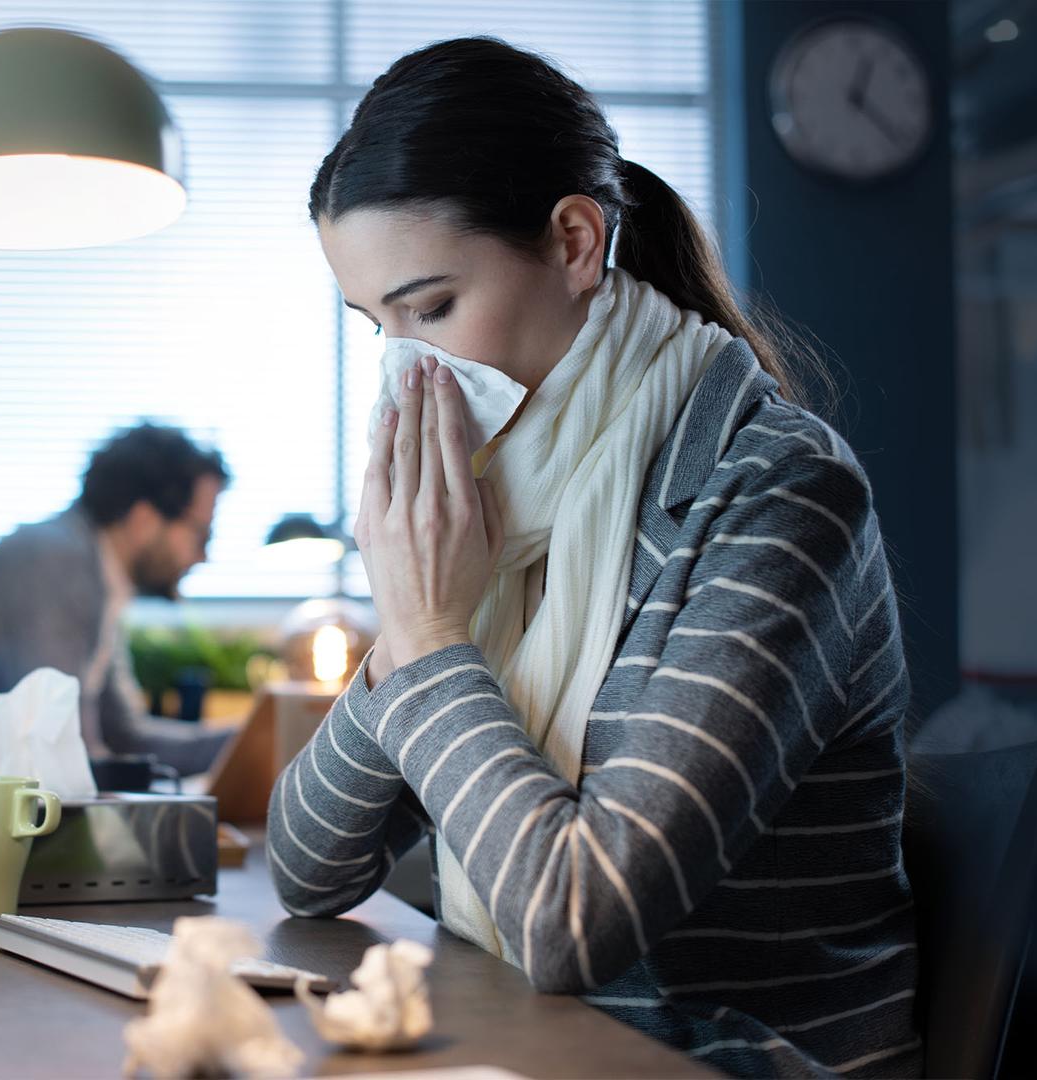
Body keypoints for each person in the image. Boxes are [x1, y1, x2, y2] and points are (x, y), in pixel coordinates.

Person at [269, 38, 917, 1078]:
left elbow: (574, 923)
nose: (404, 373)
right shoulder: (503, 502)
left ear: (576, 242)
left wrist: (435, 634)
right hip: (518, 1048)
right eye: (374, 327)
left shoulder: (777, 492)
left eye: (431, 308)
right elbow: (305, 869)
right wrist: (409, 625)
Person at [0, 423, 235, 776]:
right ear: (144, 519)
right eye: (201, 534)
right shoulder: (53, 561)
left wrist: (252, 741)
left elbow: (126, 737)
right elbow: (59, 750)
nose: (203, 557)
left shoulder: (100, 578)